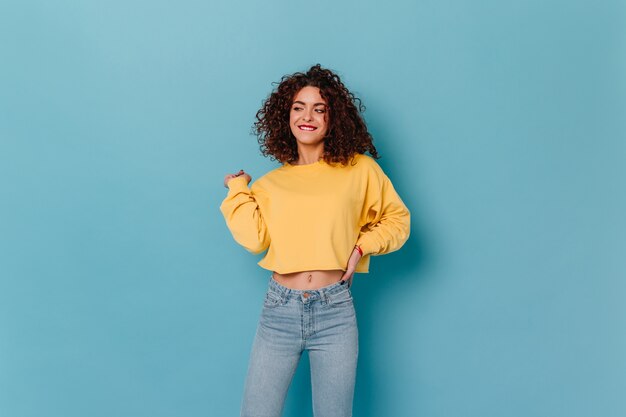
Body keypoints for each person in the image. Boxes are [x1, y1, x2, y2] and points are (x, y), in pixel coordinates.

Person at [220, 64, 411, 417]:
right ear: (285, 116)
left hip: (334, 311)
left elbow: (398, 220)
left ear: (332, 118)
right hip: (279, 310)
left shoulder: (359, 169)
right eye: (298, 107)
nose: (307, 116)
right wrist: (238, 188)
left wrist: (360, 249)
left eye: (319, 109)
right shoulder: (271, 184)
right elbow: (253, 240)